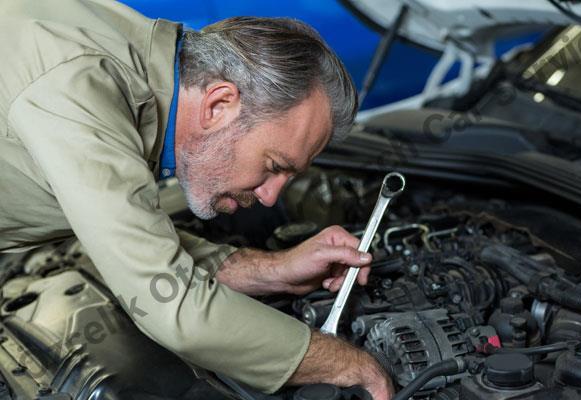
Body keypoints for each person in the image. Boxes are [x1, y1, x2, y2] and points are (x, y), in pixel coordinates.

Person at [0, 0, 393, 399]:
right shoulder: (77, 85)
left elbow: (137, 240)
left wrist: (273, 270)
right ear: (219, 105)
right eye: (274, 165)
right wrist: (347, 362)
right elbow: (176, 309)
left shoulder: (137, 73)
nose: (271, 195)